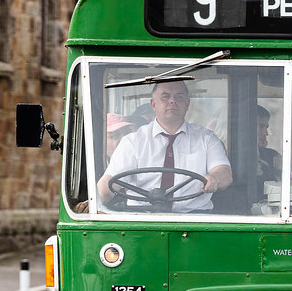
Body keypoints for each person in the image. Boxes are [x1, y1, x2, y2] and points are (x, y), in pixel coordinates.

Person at [97, 80, 232, 212]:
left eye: (179, 96)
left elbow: (224, 173)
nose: (172, 101)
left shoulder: (207, 139)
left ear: (187, 104)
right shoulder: (133, 142)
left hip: (195, 219)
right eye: (165, 96)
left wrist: (214, 179)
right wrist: (95, 202)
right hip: (141, 220)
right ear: (153, 104)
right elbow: (108, 185)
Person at [255, 105, 282, 185]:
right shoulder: (234, 158)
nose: (266, 133)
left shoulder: (273, 156)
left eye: (266, 127)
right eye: (261, 126)